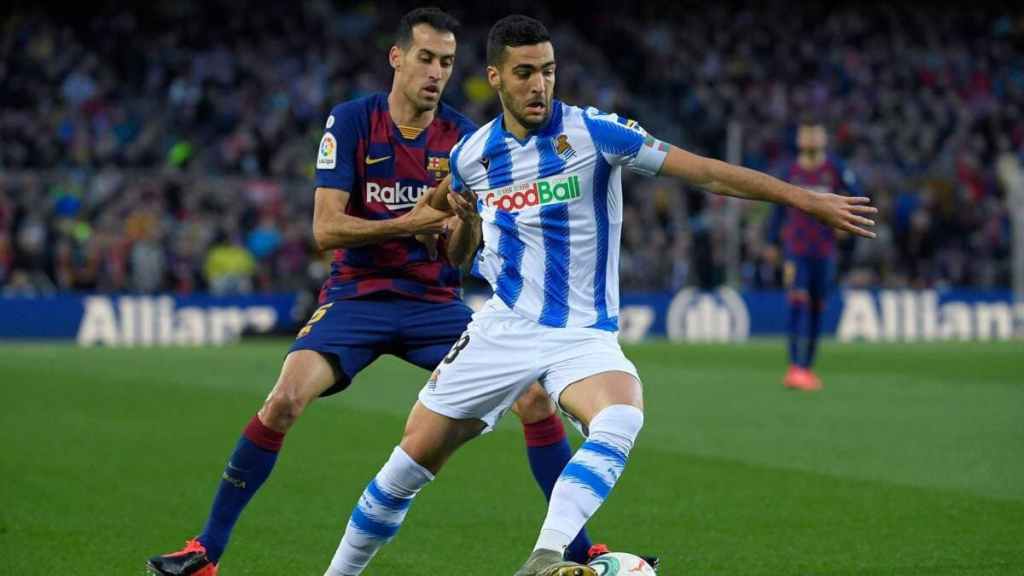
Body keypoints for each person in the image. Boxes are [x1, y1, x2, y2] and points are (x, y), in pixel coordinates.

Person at [321, 15, 877, 576]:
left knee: (621, 415)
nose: (539, 85)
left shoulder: (595, 133)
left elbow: (706, 172)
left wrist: (805, 199)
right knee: (406, 467)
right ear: (495, 78)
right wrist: (456, 226)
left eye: (548, 71)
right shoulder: (472, 155)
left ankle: (544, 557)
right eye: (524, 73)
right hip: (503, 328)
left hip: (582, 333)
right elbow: (449, 243)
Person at [146, 8, 597, 575]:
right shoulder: (352, 122)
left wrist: (468, 224)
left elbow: (457, 251)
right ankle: (205, 552)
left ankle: (582, 555)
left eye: (448, 63)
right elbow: (325, 230)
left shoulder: (463, 138)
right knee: (284, 400)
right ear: (398, 57)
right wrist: (410, 221)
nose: (436, 73)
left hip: (435, 303)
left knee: (533, 397)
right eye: (427, 58)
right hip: (356, 296)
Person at [770, 118, 864, 391]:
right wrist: (772, 241)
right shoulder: (790, 170)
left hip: (825, 251)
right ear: (799, 139)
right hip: (795, 250)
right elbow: (776, 205)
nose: (810, 139)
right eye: (806, 134)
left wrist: (848, 225)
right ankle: (794, 367)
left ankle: (807, 368)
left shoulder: (835, 168)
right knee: (796, 303)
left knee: (816, 309)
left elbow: (857, 195)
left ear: (824, 138)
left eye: (815, 134)